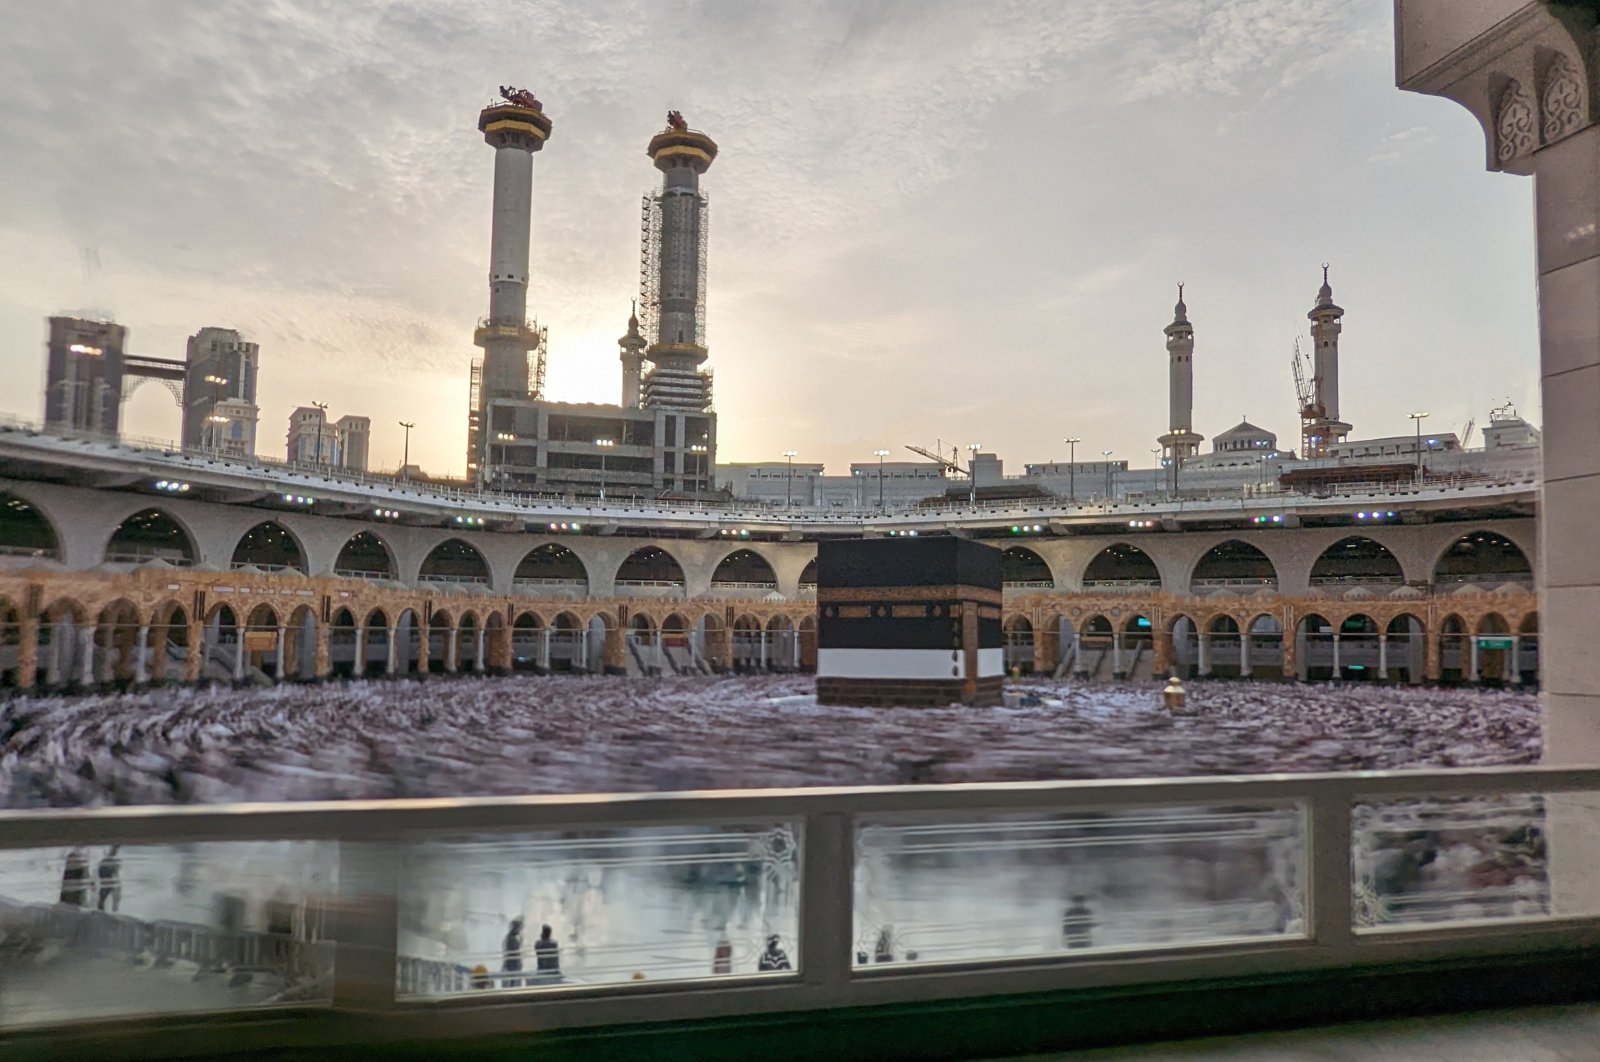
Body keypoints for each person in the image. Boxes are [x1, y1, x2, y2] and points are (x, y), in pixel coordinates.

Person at [95, 846, 122, 912]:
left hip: (110, 881)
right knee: (103, 900)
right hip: (108, 881)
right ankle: (105, 912)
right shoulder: (107, 861)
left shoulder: (112, 860)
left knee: (110, 900)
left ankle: (111, 912)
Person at [501, 917, 524, 988]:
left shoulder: (509, 937)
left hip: (510, 965)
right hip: (512, 965)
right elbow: (515, 952)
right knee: (514, 984)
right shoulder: (512, 939)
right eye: (519, 929)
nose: (520, 930)